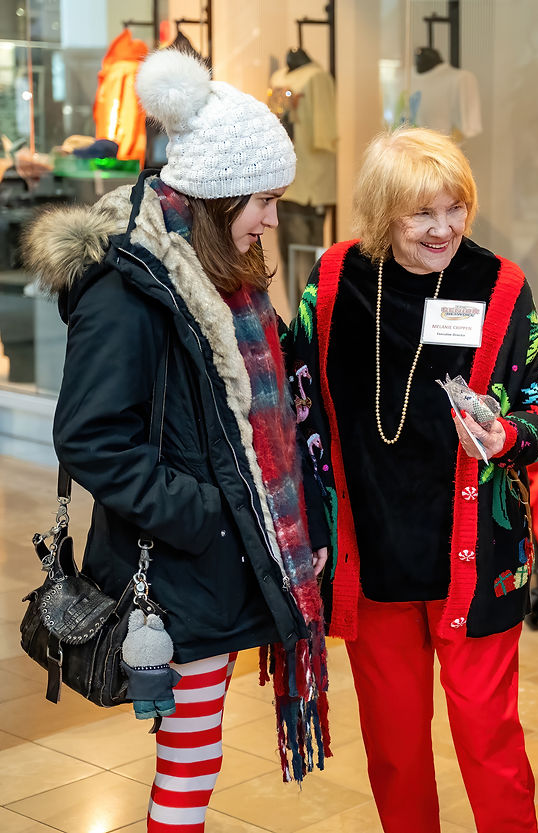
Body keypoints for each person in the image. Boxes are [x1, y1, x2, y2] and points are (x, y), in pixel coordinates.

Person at [22, 50, 330, 832]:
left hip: (217, 561)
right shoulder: (132, 289)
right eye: (264, 200)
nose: (271, 217)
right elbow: (91, 437)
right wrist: (207, 513)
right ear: (218, 194)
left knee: (197, 748)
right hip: (182, 565)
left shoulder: (220, 270)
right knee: (190, 757)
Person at [287, 126, 538, 833]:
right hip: (370, 561)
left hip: (476, 559)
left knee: (489, 743)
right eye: (421, 214)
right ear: (383, 213)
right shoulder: (335, 277)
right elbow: (296, 405)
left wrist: (507, 435)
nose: (444, 228)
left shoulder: (497, 285)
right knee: (395, 751)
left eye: (456, 208)